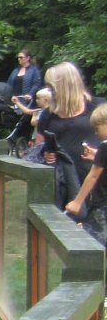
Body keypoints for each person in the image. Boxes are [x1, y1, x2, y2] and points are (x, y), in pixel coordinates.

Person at [38, 62, 99, 210]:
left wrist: (99, 154)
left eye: (52, 87)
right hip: (62, 182)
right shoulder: (47, 114)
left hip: (95, 182)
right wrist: (46, 154)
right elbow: (39, 147)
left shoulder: (98, 107)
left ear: (64, 85)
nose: (50, 92)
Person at [63, 102, 107, 245]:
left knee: (94, 241)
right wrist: (97, 157)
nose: (95, 133)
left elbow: (93, 176)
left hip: (102, 205)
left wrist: (77, 202)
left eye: (97, 128)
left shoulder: (104, 146)